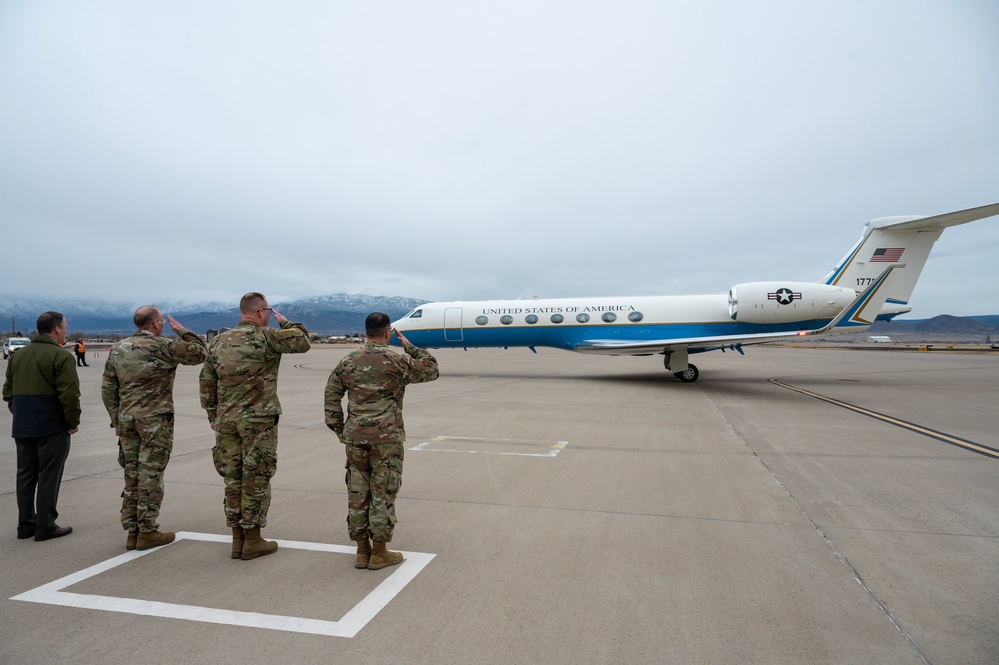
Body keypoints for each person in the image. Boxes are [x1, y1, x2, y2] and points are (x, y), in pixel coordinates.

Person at [199, 292, 310, 560]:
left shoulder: (218, 342)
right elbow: (302, 341)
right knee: (256, 477)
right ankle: (252, 539)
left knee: (233, 477)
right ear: (261, 312)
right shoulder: (267, 336)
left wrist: (214, 415)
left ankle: (237, 539)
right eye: (267, 312)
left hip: (227, 420)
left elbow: (206, 382)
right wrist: (286, 322)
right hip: (258, 419)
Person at [324, 312, 439, 570]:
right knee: (382, 493)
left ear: (366, 332)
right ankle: (379, 553)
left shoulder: (348, 360)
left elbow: (331, 396)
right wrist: (410, 346)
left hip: (355, 437)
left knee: (357, 493)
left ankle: (361, 551)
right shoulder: (396, 360)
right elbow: (431, 369)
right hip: (386, 438)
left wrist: (339, 429)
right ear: (388, 333)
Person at [101, 307, 208, 551]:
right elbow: (201, 353)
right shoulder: (161, 346)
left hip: (127, 419)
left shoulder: (119, 348)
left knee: (132, 473)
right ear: (156, 323)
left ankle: (132, 530)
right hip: (154, 420)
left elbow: (108, 387)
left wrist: (116, 418)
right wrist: (183, 331)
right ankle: (147, 531)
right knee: (151, 473)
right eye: (160, 321)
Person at [3, 311, 80, 541]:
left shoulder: (18, 356)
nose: (65, 331)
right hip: (51, 426)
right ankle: (46, 525)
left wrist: (22, 414)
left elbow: (8, 392)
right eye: (65, 327)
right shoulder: (61, 356)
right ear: (57, 329)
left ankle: (25, 524)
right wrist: (71, 422)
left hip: (24, 425)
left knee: (25, 475)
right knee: (48, 476)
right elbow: (69, 394)